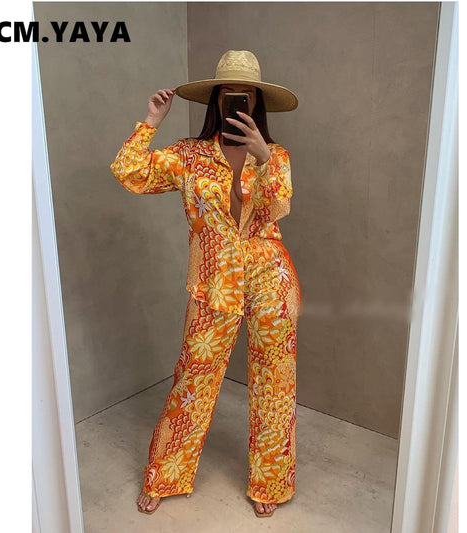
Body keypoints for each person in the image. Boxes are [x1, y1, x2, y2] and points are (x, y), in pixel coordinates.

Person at [110, 50, 301, 519]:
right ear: (216, 100)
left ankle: (271, 481)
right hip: (214, 278)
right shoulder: (188, 156)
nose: (238, 101)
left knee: (275, 380)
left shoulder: (274, 156)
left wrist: (263, 157)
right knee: (194, 377)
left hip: (270, 275)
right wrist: (151, 121)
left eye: (247, 95)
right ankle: (165, 474)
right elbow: (129, 172)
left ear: (257, 103)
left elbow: (278, 207)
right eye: (229, 94)